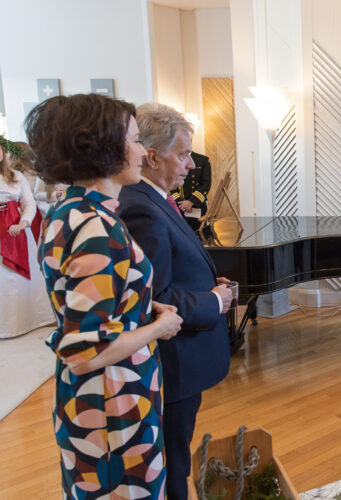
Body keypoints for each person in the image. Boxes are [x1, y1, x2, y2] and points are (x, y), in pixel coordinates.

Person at [26, 93, 183, 497]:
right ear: (105, 149)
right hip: (113, 400)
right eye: (133, 140)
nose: (140, 151)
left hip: (104, 395)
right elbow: (86, 352)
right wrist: (160, 327)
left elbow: (93, 307)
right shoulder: (96, 225)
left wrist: (144, 309)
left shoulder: (70, 211)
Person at [118, 102, 232, 500]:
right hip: (173, 363)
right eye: (182, 154)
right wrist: (214, 301)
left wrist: (206, 284)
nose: (189, 165)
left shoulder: (155, 199)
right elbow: (157, 297)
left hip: (181, 360)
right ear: (151, 157)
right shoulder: (140, 209)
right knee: (172, 460)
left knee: (177, 451)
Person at [0, 136, 55, 338]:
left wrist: (24, 222)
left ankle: (32, 319)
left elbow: (29, 202)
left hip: (18, 230)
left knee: (25, 278)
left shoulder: (16, 177)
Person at [169, 151, 211, 232]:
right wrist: (180, 203)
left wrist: (191, 202)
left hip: (196, 207)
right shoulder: (173, 158)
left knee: (200, 234)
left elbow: (206, 184)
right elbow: (170, 181)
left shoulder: (202, 159)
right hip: (178, 207)